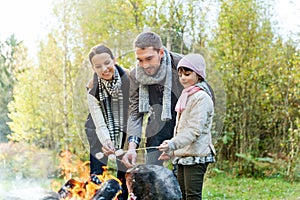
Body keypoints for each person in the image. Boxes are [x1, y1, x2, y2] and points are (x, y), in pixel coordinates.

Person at [157, 53, 216, 200]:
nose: (183, 78)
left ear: (199, 75)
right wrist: (171, 150)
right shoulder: (187, 95)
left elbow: (193, 130)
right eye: (180, 74)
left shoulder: (201, 98)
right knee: (181, 195)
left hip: (196, 155)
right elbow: (181, 130)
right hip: (183, 155)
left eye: (187, 74)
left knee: (192, 196)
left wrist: (172, 143)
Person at [122, 31, 184, 168]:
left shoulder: (181, 65)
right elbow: (134, 112)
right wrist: (132, 148)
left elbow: (200, 99)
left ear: (160, 53)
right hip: (157, 123)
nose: (144, 65)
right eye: (140, 60)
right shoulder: (135, 74)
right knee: (152, 172)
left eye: (149, 59)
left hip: (184, 123)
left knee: (182, 177)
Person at [84, 44, 129, 200]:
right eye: (98, 66)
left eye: (107, 63)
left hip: (124, 128)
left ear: (114, 60)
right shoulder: (92, 90)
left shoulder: (129, 81)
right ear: (93, 68)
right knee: (97, 172)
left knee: (124, 169)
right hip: (97, 130)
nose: (104, 69)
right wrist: (107, 141)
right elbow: (100, 123)